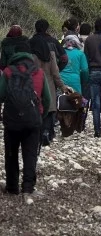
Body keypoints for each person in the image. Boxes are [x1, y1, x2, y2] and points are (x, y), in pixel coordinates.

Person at [0, 41, 51, 202]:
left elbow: (1, 95)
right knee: (30, 155)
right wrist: (40, 115)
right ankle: (28, 188)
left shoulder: (8, 72)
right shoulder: (39, 72)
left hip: (12, 120)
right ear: (30, 56)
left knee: (11, 153)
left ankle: (12, 187)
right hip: (33, 119)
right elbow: (47, 99)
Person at [30, 19, 72, 145]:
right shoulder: (52, 46)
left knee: (35, 107)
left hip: (33, 84)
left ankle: (36, 133)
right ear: (47, 29)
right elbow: (62, 61)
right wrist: (63, 86)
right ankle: (47, 133)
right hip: (49, 82)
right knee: (50, 108)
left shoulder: (30, 44)